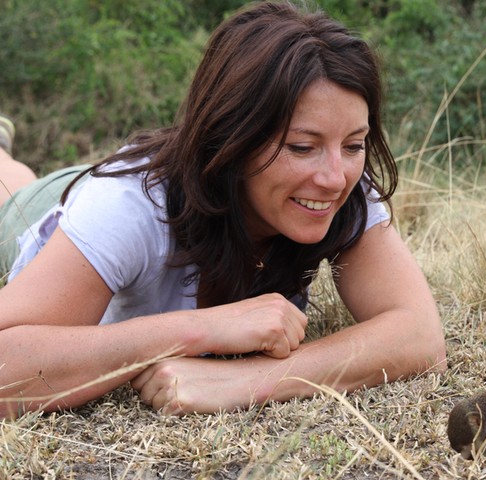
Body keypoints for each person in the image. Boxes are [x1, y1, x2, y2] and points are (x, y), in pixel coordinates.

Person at [0, 2, 446, 418]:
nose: (334, 177)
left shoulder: (341, 181)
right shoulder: (127, 205)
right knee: (12, 187)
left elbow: (419, 335)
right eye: (302, 146)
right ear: (233, 138)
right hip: (51, 207)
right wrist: (198, 330)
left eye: (354, 144)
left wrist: (250, 381)